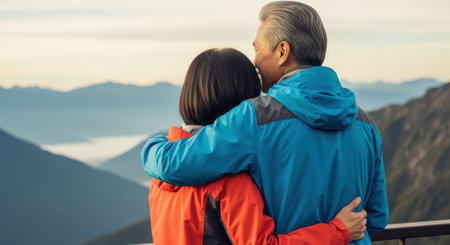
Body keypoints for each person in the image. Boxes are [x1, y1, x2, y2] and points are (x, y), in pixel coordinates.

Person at [143, 1, 389, 244]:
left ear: (282, 51)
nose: (255, 62)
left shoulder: (254, 119)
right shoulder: (366, 123)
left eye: (258, 49)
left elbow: (174, 165)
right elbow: (376, 218)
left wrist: (152, 147)